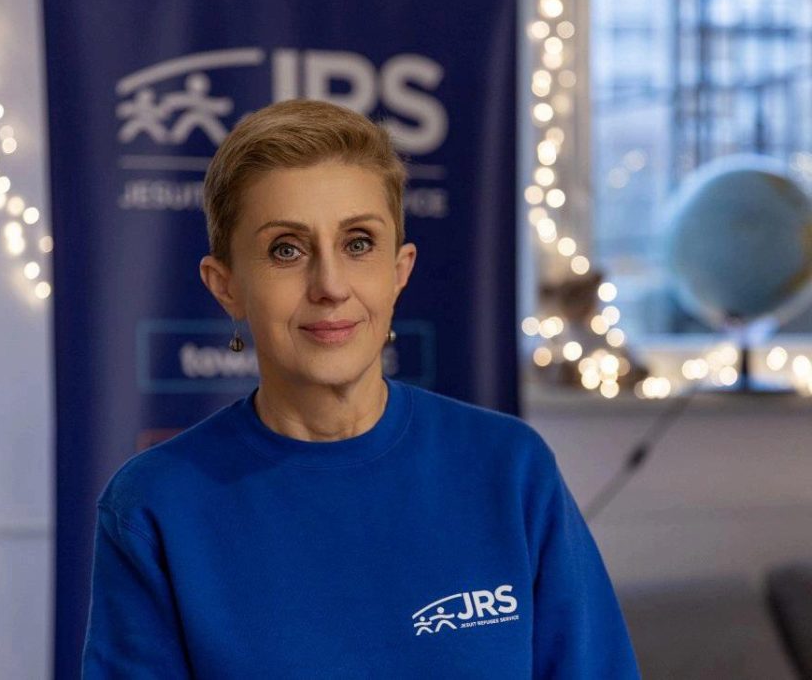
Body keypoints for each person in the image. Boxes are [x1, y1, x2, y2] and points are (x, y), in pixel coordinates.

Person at [81, 99, 641, 678]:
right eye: (286, 249)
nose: (330, 285)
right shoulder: (155, 505)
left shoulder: (510, 468)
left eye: (358, 243)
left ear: (399, 271)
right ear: (226, 286)